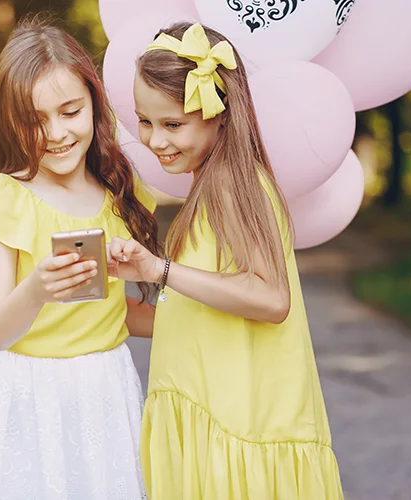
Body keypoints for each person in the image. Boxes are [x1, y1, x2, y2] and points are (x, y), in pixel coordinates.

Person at [108, 22, 344, 499]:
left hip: (236, 428)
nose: (155, 141)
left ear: (220, 114)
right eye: (145, 122)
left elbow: (270, 298)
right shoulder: (209, 184)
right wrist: (105, 297)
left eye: (173, 124)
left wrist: (161, 271)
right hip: (206, 415)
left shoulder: (236, 187)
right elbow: (198, 316)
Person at [0, 17, 159, 500]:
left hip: (104, 389)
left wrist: (196, 309)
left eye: (70, 111)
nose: (57, 133)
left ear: (94, 104)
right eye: (35, 120)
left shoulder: (118, 193)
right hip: (26, 394)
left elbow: (109, 311)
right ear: (8, 120)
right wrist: (38, 288)